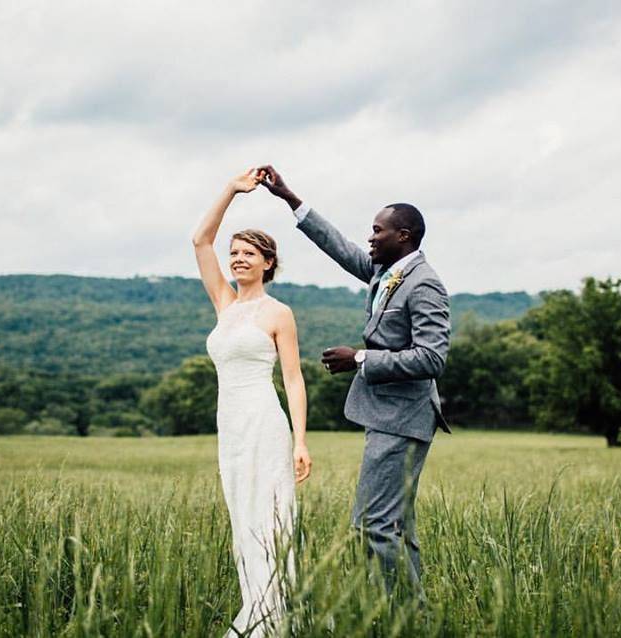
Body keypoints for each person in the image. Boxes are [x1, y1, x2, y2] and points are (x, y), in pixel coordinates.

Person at [258, 165, 451, 600]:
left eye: (377, 230)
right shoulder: (387, 272)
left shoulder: (424, 285)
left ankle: (407, 614)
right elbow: (341, 249)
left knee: (373, 523)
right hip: (390, 416)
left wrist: (360, 358)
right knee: (395, 524)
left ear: (403, 236)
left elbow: (432, 357)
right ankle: (411, 615)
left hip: (402, 418)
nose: (370, 237)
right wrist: (291, 198)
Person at [192, 168, 312, 636]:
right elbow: (201, 242)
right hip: (231, 428)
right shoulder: (224, 303)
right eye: (235, 253)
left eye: (248, 254)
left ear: (267, 262)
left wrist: (301, 441)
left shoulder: (278, 313)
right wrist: (230, 190)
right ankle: (257, 606)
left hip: (265, 424)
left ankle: (271, 619)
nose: (237, 259)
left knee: (269, 518)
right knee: (243, 519)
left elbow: (294, 380)